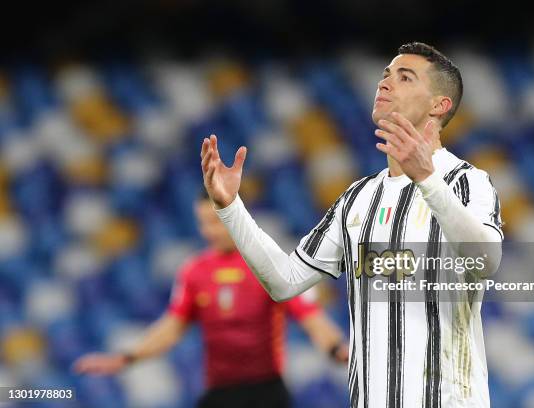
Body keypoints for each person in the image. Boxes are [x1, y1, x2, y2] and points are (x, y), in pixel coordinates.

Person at [200, 42, 504, 408]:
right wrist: (230, 208)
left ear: (439, 106)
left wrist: (426, 178)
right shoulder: (358, 198)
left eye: (404, 77)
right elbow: (286, 281)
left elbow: (486, 260)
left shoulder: (466, 181)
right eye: (385, 75)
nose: (386, 84)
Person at [73, 192, 349, 408]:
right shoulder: (195, 271)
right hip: (219, 392)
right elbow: (172, 327)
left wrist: (338, 349)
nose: (210, 231)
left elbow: (312, 319)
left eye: (217, 221)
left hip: (266, 392)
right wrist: (127, 357)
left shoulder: (273, 265)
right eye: (204, 222)